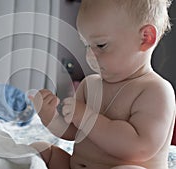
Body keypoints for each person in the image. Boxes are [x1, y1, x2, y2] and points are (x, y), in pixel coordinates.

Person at [29, 0, 176, 168]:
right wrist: (50, 117)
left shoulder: (155, 91)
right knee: (40, 150)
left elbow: (139, 148)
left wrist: (87, 117)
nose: (90, 56)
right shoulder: (89, 85)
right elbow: (73, 132)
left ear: (145, 38)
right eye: (87, 45)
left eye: (100, 45)